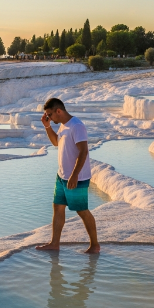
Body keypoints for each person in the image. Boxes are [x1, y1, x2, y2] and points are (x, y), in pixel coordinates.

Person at [36, 98, 101, 254]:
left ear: (59, 111)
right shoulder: (64, 125)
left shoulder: (77, 126)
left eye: (50, 115)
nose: (49, 117)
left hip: (76, 178)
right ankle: (54, 243)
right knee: (58, 208)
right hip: (62, 176)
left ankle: (95, 245)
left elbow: (83, 151)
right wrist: (47, 126)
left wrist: (74, 175)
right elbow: (56, 143)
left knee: (82, 210)